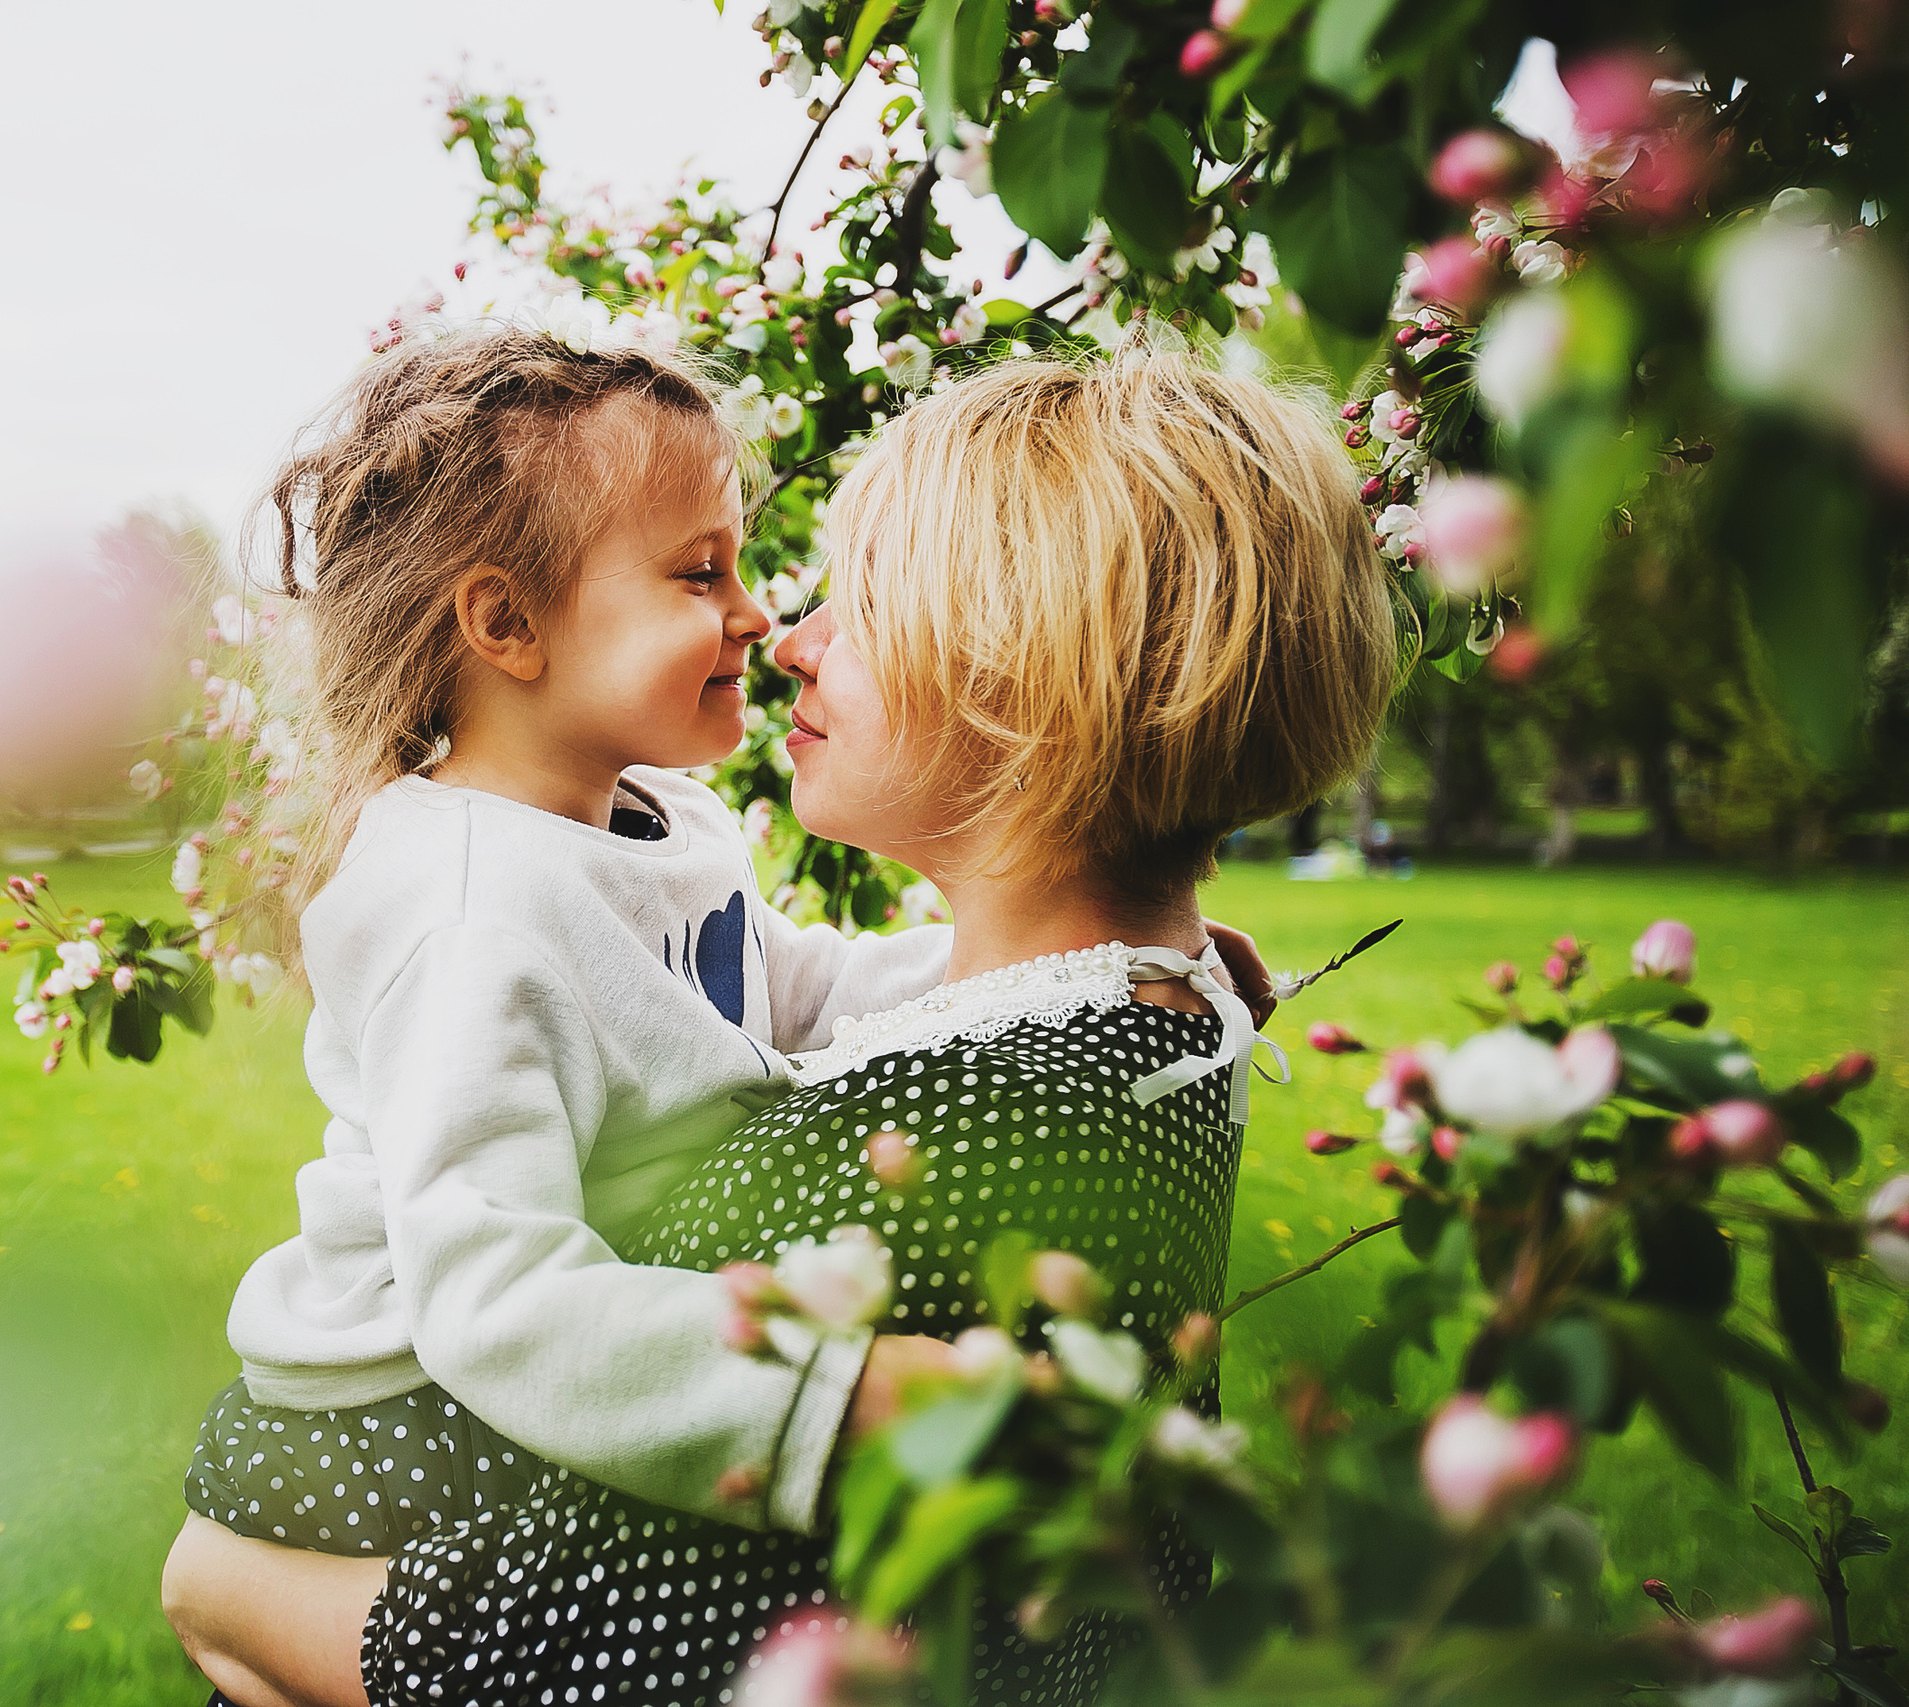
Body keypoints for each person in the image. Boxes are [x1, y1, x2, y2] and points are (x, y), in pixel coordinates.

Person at [161, 347, 1396, 1707]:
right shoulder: (471, 911)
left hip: (492, 1389)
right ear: (506, 628)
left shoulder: (672, 838)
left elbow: (769, 986)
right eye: (706, 578)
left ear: (1033, 676)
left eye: (856, 602)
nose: (780, 628)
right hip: (384, 1406)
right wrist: (829, 1392)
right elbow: (494, 1302)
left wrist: (232, 1597)